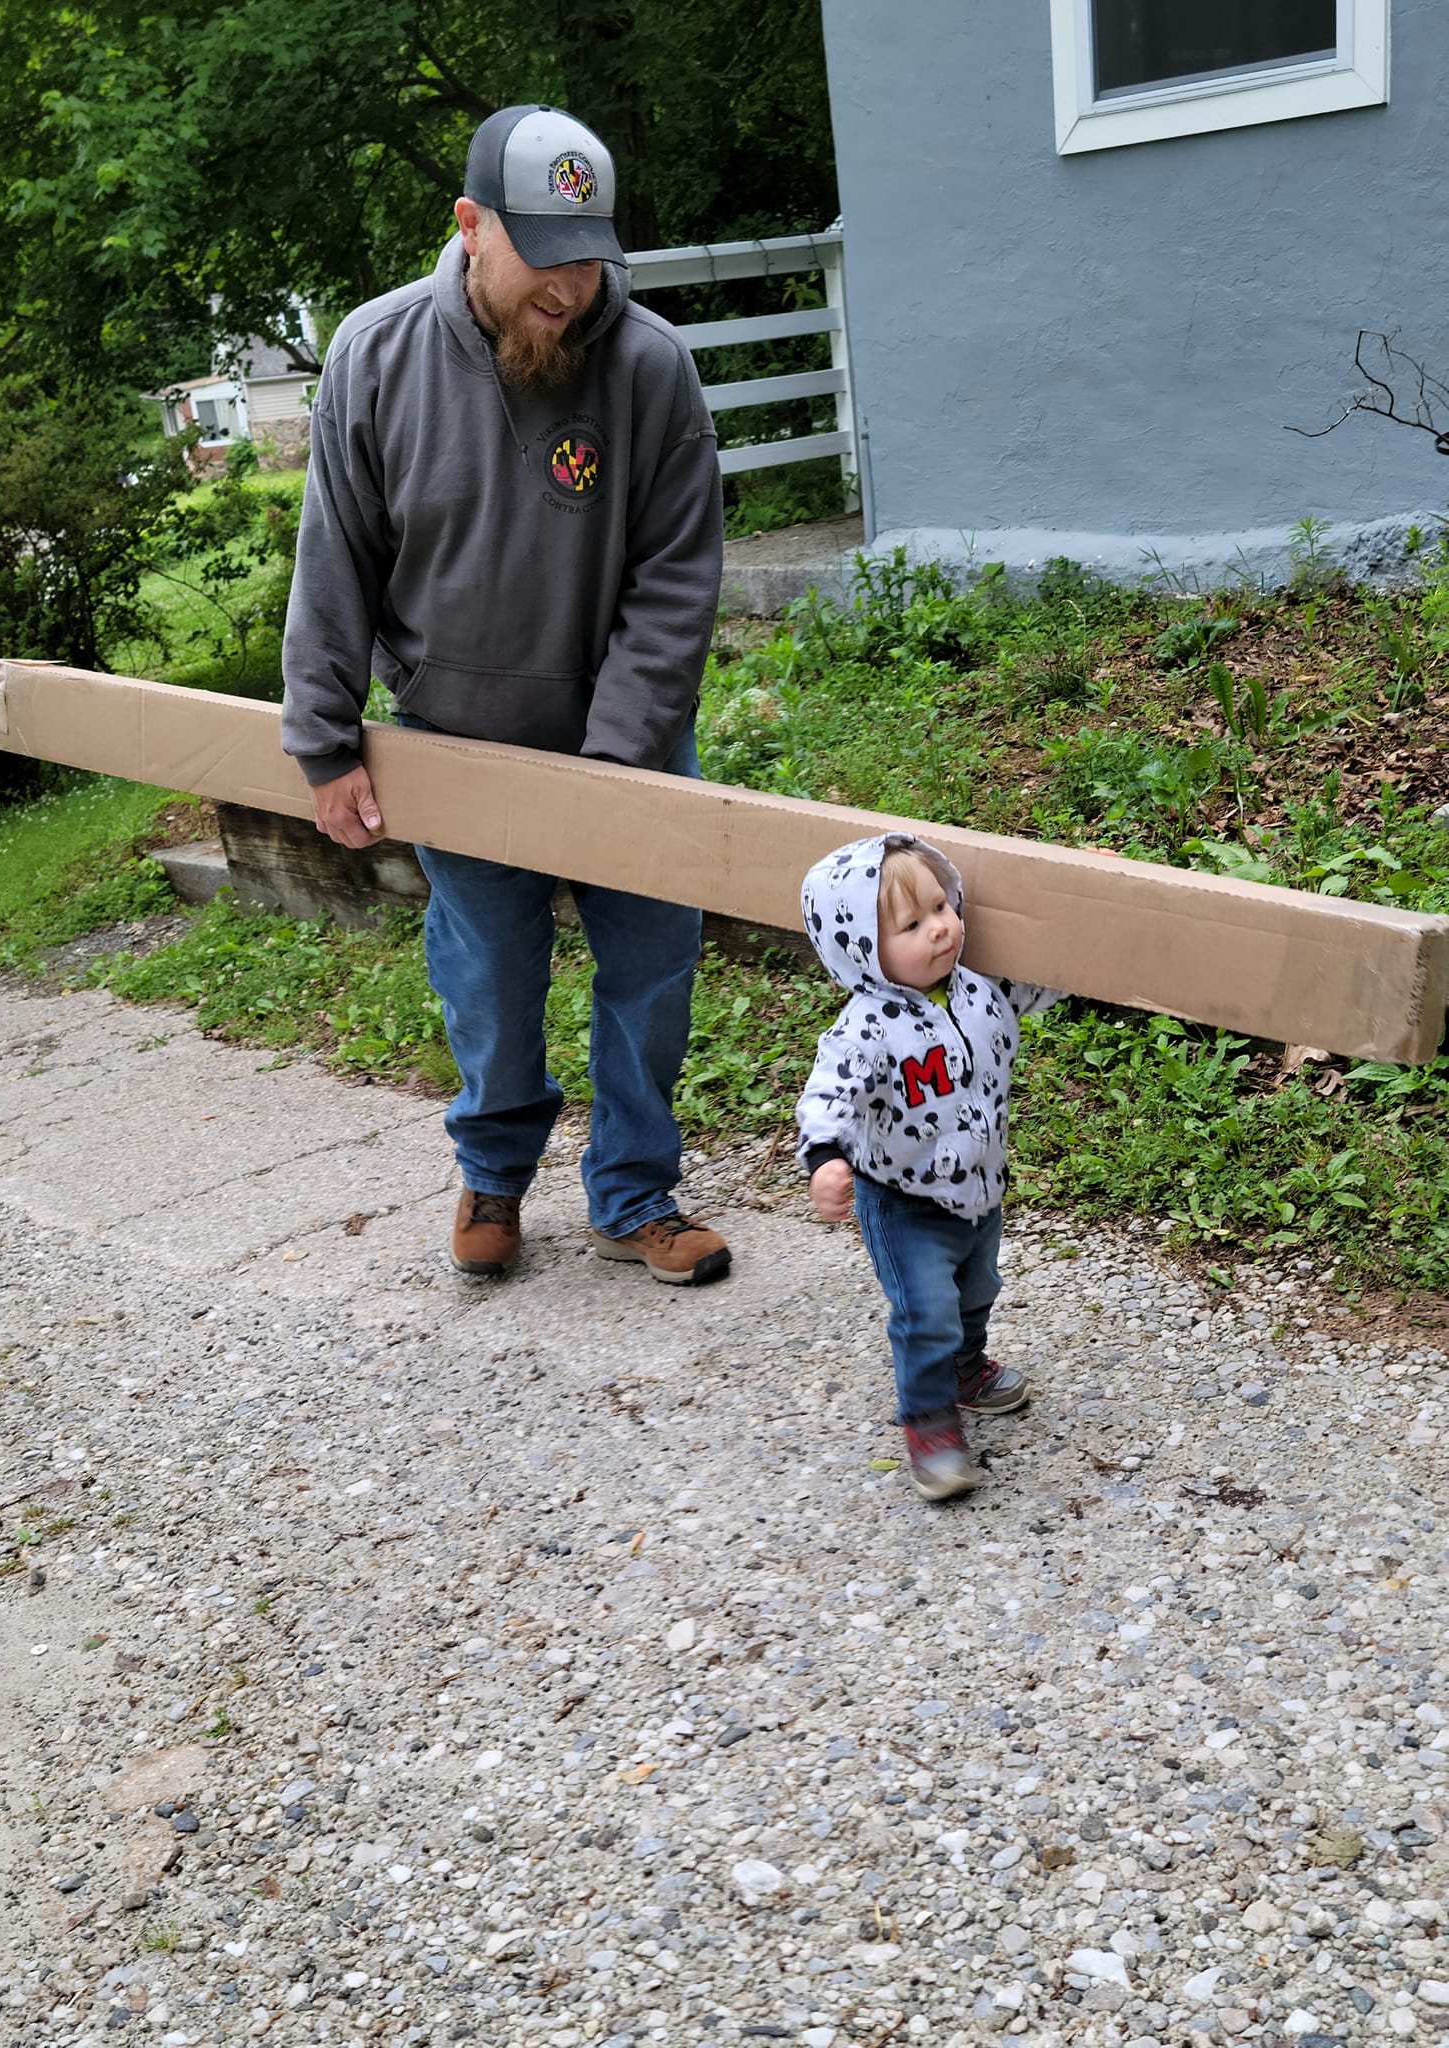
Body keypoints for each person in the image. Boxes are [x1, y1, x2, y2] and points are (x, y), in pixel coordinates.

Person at [280, 104, 731, 1287]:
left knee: (649, 977)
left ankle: (634, 1193)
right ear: (470, 225)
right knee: (485, 979)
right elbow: (335, 565)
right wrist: (325, 744)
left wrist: (617, 755)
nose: (572, 287)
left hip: (623, 744)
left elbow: (675, 577)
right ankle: (493, 1173)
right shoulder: (373, 359)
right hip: (460, 745)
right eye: (546, 254)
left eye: (591, 256)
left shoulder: (650, 368)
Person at [795, 834, 1060, 1499]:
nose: (940, 929)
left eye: (941, 907)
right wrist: (825, 1156)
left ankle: (964, 1371)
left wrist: (1095, 907)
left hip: (978, 1188)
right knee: (926, 1311)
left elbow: (1059, 974)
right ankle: (929, 1423)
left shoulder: (982, 991)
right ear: (860, 949)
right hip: (902, 1198)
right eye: (911, 925)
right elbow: (830, 1093)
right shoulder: (865, 1026)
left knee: (977, 1291)